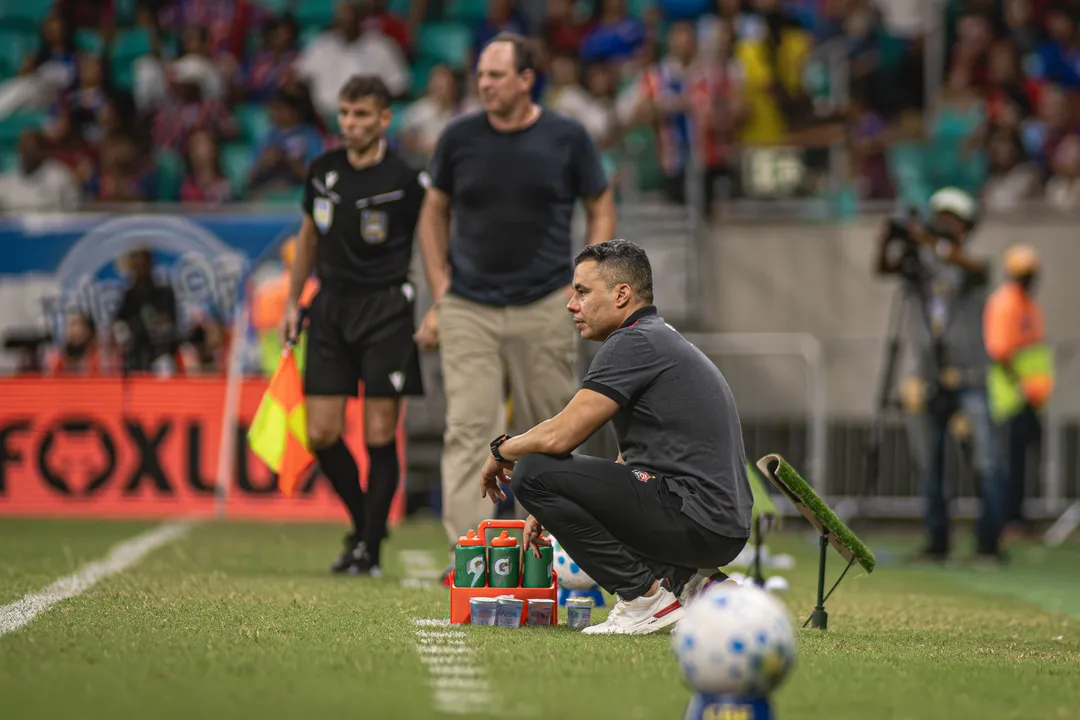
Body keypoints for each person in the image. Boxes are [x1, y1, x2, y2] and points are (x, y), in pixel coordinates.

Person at [480, 240, 752, 635]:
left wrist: (501, 450)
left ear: (622, 294)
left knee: (534, 471)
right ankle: (696, 586)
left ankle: (644, 598)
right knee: (550, 478)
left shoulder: (633, 341)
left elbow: (561, 436)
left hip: (697, 515)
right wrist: (564, 503)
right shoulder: (655, 337)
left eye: (582, 292)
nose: (572, 304)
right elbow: (633, 463)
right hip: (718, 523)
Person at [415, 32, 617, 564]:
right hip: (469, 306)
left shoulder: (567, 137)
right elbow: (432, 211)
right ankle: (472, 555)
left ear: (527, 79)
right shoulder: (457, 137)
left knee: (553, 428)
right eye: (480, 74)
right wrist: (440, 291)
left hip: (545, 303)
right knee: (469, 429)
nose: (484, 83)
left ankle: (556, 549)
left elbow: (600, 200)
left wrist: (590, 280)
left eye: (496, 75)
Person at [281, 75, 426, 576]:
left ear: (385, 119)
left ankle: (368, 548)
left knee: (379, 433)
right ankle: (368, 524)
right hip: (329, 308)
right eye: (344, 113)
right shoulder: (322, 170)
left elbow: (430, 242)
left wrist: (437, 304)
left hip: (386, 308)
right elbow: (308, 240)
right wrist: (290, 304)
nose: (350, 123)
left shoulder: (406, 179)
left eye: (361, 114)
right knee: (320, 432)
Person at [874, 187, 1005, 563]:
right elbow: (883, 268)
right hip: (930, 378)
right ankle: (937, 542)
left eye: (952, 218)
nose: (943, 222)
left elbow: (977, 269)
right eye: (939, 216)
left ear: (964, 226)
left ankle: (988, 544)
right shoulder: (922, 267)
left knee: (986, 463)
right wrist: (890, 241)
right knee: (931, 465)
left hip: (971, 377)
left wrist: (929, 240)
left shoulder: (970, 265)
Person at [984, 244, 1053, 541]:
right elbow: (1001, 351)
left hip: (1030, 398)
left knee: (1023, 463)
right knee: (1008, 463)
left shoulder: (1027, 304)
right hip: (1011, 397)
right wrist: (1022, 386)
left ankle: (1018, 518)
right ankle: (1006, 520)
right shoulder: (1005, 303)